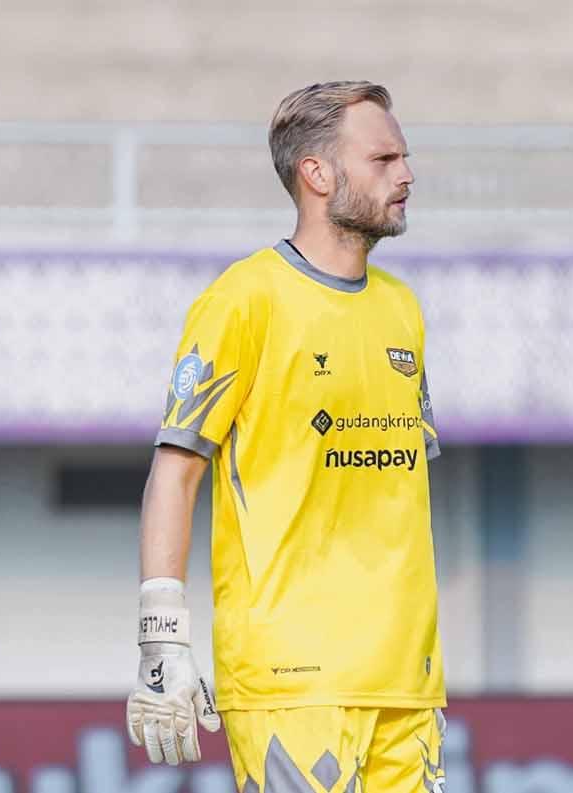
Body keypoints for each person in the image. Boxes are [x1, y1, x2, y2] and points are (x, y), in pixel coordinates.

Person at [126, 81, 446, 793]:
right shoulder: (242, 300)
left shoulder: (404, 311)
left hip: (407, 679)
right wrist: (161, 633)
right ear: (317, 173)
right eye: (385, 157)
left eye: (406, 157)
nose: (407, 175)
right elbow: (174, 472)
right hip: (291, 678)